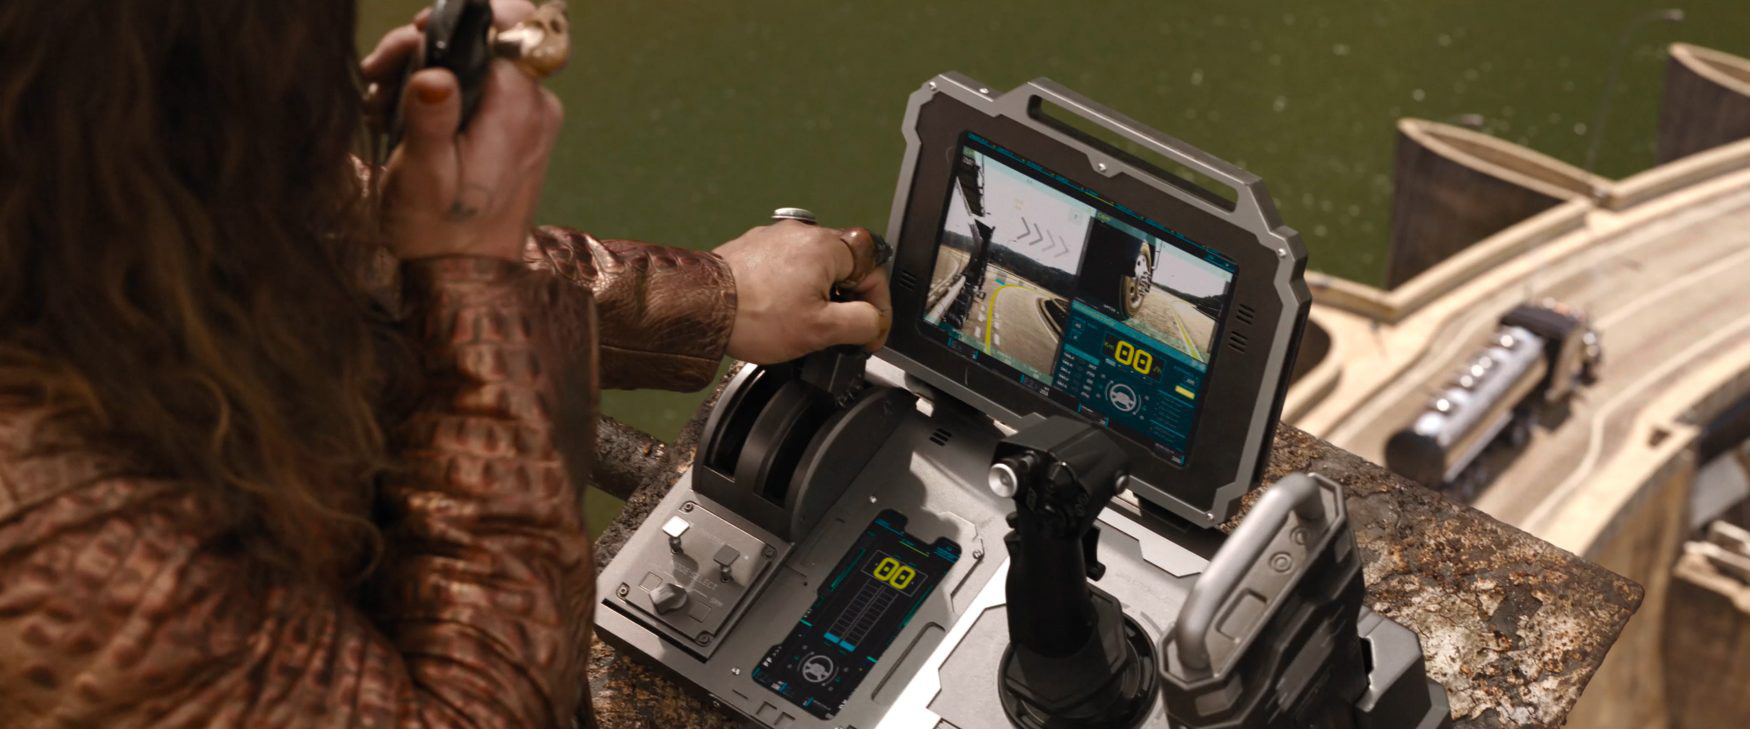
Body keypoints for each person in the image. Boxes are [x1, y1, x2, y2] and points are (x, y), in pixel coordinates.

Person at [0, 0, 888, 725]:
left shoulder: (85, 189)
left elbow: (320, 232)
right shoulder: (47, 540)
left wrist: (714, 295)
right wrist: (474, 277)